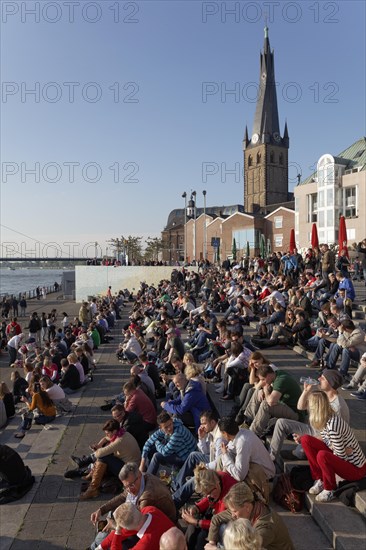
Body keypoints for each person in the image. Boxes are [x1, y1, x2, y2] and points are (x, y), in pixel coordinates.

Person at [297, 391, 366, 502]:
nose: (308, 407)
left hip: (356, 469)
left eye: (310, 404)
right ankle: (320, 479)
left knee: (322, 455)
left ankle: (330, 489)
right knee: (305, 439)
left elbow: (340, 455)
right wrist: (335, 447)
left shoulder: (333, 425)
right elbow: (329, 442)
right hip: (343, 456)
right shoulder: (325, 417)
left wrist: (335, 450)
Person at [89, 462, 176, 549]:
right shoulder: (141, 482)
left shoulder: (148, 498)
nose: (129, 490)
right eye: (125, 487)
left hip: (162, 533)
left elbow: (131, 525)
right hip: (154, 523)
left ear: (139, 475)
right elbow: (123, 496)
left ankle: (94, 547)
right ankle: (96, 547)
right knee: (111, 517)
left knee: (112, 537)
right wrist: (102, 510)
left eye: (131, 485)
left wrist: (115, 527)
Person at [269, 369, 349, 462]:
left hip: (326, 439)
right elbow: (300, 407)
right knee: (281, 423)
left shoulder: (337, 406)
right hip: (315, 429)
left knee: (301, 451)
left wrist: (304, 439)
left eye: (323, 378)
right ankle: (271, 458)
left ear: (330, 383)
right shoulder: (322, 394)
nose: (319, 378)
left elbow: (330, 436)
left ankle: (300, 453)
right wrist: (306, 391)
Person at [206, 482, 294, 550]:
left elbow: (247, 549)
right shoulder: (246, 508)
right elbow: (216, 518)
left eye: (234, 511)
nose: (232, 515)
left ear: (247, 507)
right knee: (224, 527)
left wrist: (216, 549)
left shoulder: (266, 527)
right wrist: (211, 543)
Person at [76, 419, 141, 500]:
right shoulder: (123, 433)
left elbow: (98, 454)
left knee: (103, 457)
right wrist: (100, 444)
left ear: (114, 431)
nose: (106, 435)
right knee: (104, 455)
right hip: (130, 464)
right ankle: (92, 477)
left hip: (129, 470)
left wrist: (96, 449)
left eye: (107, 433)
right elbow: (106, 438)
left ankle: (93, 489)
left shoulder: (119, 441)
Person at [181, 464, 237, 550]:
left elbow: (217, 522)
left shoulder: (229, 494)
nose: (208, 496)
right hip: (217, 514)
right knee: (192, 527)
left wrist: (197, 522)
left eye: (209, 493)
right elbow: (209, 498)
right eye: (205, 494)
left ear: (217, 485)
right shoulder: (215, 479)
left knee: (201, 537)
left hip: (228, 524)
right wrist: (196, 508)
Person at [244, 365, 304, 439]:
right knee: (257, 392)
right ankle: (248, 421)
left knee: (266, 405)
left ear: (268, 376)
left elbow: (271, 402)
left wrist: (265, 389)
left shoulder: (281, 380)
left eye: (263, 379)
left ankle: (253, 435)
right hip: (285, 406)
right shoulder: (276, 374)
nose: (262, 382)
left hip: (295, 413)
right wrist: (261, 390)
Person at [140, 411, 197, 476]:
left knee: (156, 456)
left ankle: (147, 479)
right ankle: (149, 470)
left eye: (170, 424)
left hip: (186, 458)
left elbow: (165, 452)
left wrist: (156, 442)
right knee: (151, 449)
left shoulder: (177, 433)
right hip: (177, 451)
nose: (169, 428)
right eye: (166, 427)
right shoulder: (165, 429)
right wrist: (142, 463)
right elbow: (148, 443)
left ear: (172, 421)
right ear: (161, 428)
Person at [98, 503, 175, 550]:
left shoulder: (146, 543)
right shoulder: (150, 509)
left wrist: (118, 530)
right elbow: (125, 532)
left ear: (126, 528)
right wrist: (100, 547)